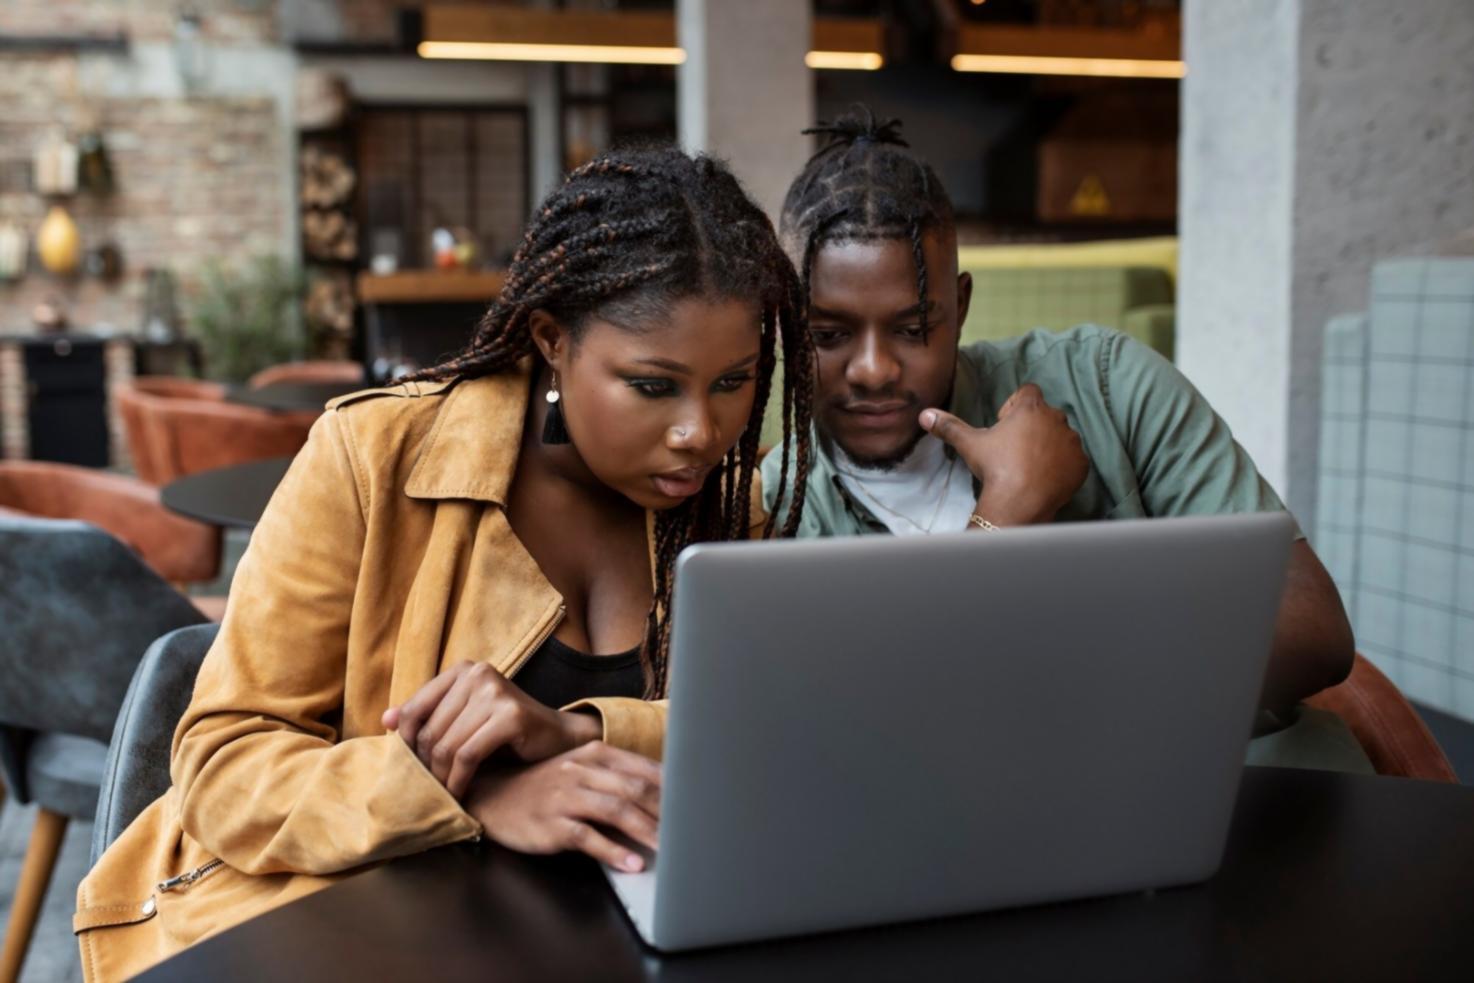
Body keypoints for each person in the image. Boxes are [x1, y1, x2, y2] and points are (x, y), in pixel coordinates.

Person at [76, 147, 813, 982]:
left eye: (735, 381)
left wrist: (576, 731)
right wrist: (470, 797)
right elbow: (223, 770)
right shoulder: (373, 459)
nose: (700, 431)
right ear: (552, 341)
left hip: (615, 934)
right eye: (652, 385)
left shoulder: (726, 504)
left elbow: (753, 742)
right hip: (366, 931)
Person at [760, 108, 1367, 767]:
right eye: (828, 335)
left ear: (959, 308)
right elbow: (875, 735)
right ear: (788, 322)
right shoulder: (782, 505)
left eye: (913, 329)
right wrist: (1004, 517)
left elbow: (1315, 628)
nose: (874, 369)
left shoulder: (1104, 383)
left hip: (1229, 786)